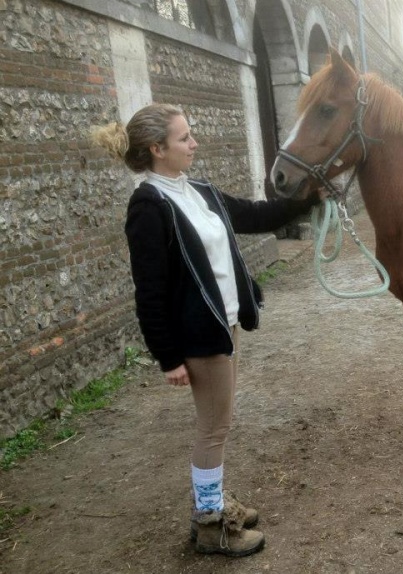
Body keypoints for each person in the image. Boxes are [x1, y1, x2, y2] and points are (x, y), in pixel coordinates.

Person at [92, 103, 318, 557]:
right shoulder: (148, 206)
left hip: (225, 325)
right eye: (184, 138)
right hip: (198, 338)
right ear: (158, 149)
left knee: (217, 425)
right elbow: (149, 292)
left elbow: (253, 215)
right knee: (214, 429)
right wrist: (168, 357)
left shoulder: (196, 190)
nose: (194, 143)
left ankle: (211, 503)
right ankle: (212, 525)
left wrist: (307, 199)